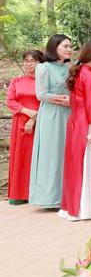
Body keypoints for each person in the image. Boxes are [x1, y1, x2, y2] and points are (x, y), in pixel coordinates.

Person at [60, 42, 91, 222]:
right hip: (87, 122)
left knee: (77, 162)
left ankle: (74, 205)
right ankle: (83, 207)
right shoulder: (89, 75)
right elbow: (90, 102)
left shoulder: (79, 72)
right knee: (87, 162)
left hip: (76, 121)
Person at [29, 35, 73, 209]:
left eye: (71, 46)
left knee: (65, 152)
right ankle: (50, 197)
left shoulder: (69, 67)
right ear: (54, 47)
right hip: (52, 114)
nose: (69, 49)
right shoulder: (43, 68)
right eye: (66, 46)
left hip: (68, 113)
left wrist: (72, 100)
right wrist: (63, 99)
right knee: (52, 153)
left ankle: (66, 195)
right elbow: (41, 94)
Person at [6, 50, 44, 204]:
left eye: (33, 61)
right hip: (20, 123)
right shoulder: (17, 81)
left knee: (37, 158)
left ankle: (37, 193)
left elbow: (47, 102)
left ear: (41, 63)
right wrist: (29, 113)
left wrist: (34, 119)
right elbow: (10, 101)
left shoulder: (45, 82)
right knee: (20, 157)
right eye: (26, 61)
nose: (29, 64)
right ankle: (19, 194)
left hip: (41, 123)